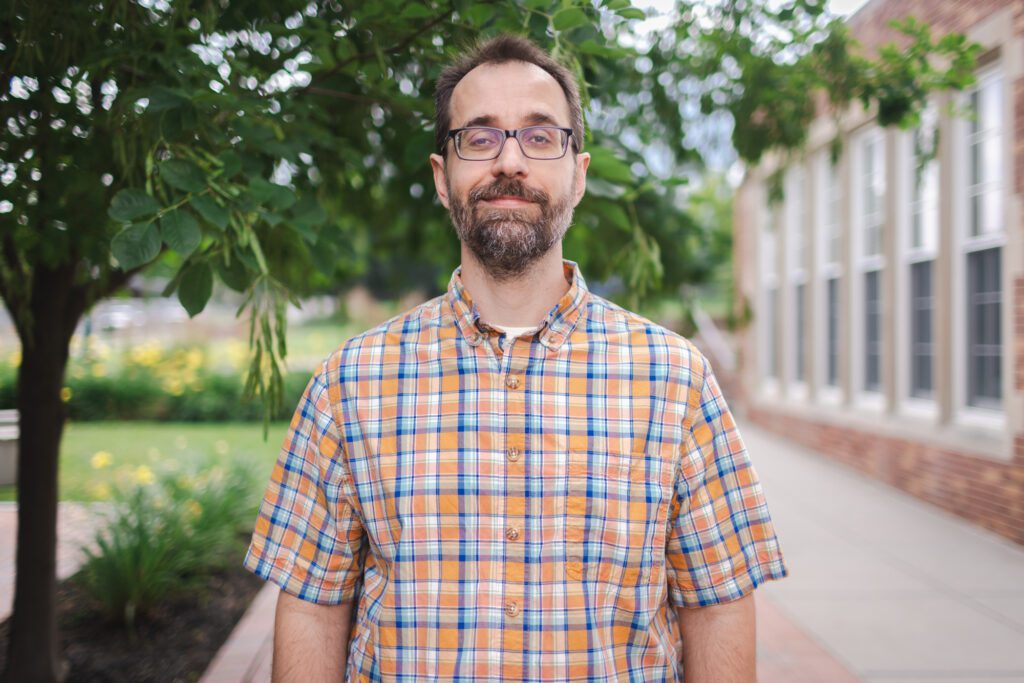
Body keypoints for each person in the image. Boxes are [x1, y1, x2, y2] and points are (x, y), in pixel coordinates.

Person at [244, 34, 788, 682]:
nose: (509, 161)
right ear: (443, 179)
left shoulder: (675, 379)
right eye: (479, 137)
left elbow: (718, 602)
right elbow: (312, 605)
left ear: (578, 173)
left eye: (539, 137)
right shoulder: (348, 383)